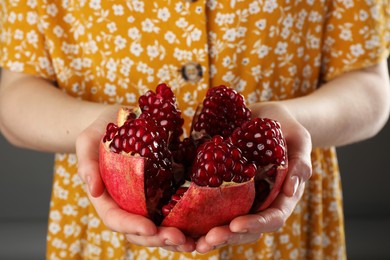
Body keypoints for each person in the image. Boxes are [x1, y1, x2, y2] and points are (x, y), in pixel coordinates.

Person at [0, 0, 389, 259]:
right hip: (102, 229)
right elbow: (15, 96)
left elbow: (370, 88)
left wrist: (288, 124)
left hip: (279, 216)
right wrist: (106, 135)